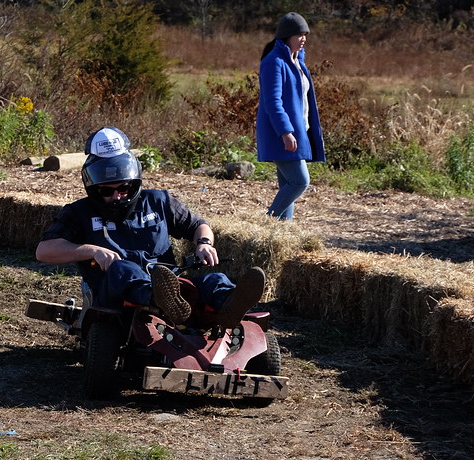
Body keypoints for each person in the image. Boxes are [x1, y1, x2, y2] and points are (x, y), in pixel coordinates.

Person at [36, 127, 266, 328]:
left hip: (172, 287)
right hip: (117, 296)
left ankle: (230, 303)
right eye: (107, 191)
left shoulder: (158, 201)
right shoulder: (80, 211)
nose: (116, 196)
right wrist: (91, 250)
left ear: (134, 184)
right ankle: (155, 298)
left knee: (212, 281)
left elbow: (199, 225)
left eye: (124, 188)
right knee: (123, 269)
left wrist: (204, 244)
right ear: (94, 189)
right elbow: (44, 251)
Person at [256, 11, 325, 220]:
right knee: (300, 182)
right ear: (287, 36)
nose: (303, 39)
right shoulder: (274, 62)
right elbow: (272, 101)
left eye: (305, 34)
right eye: (299, 34)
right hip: (282, 135)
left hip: (297, 133)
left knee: (288, 185)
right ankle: (268, 223)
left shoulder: (298, 62)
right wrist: (285, 131)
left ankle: (281, 233)